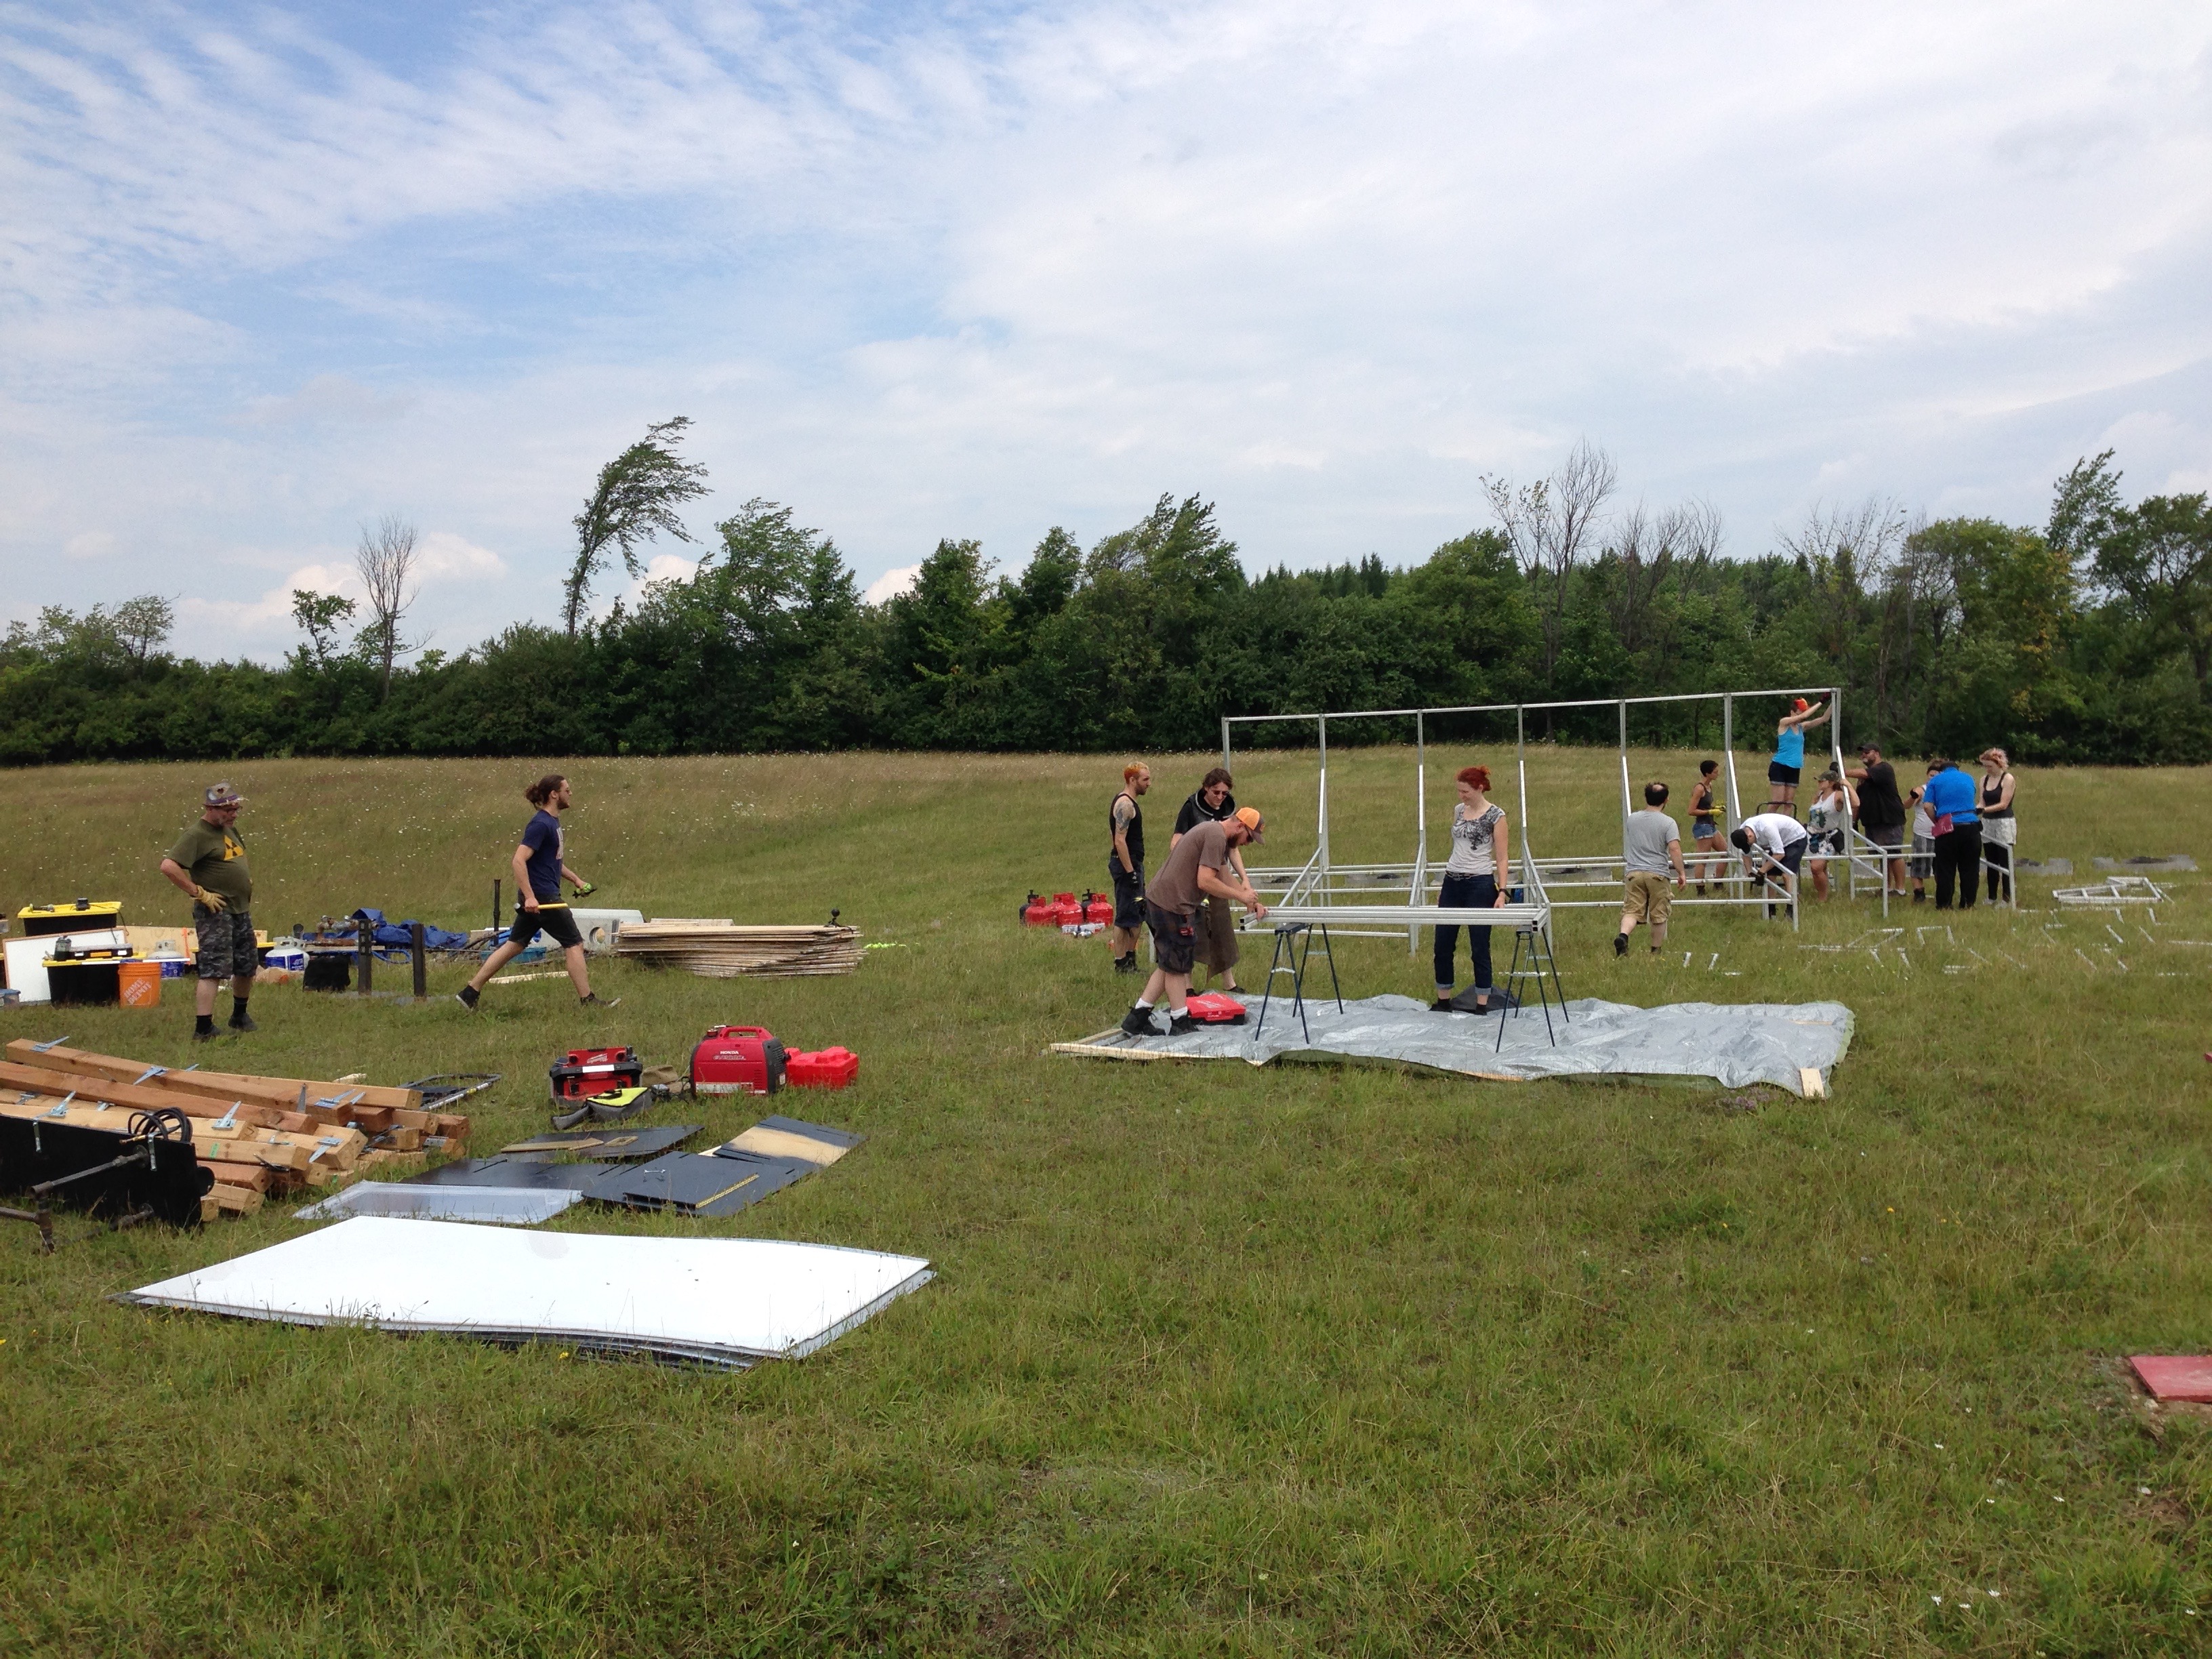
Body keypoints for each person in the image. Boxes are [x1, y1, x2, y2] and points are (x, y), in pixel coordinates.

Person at [457, 775, 617, 1010]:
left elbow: (552, 861)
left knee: (515, 944)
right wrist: (530, 896)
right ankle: (588, 1001)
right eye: (567, 790)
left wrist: (576, 880)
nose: (570, 794)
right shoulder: (541, 824)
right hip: (543, 898)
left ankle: (470, 992)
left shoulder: (552, 823)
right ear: (554, 794)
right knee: (574, 944)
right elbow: (518, 860)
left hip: (540, 896)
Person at [1122, 808, 1269, 1036]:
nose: (1246, 843)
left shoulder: (1215, 834)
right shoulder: (1215, 836)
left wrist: (1250, 900)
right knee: (1177, 967)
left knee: (1170, 964)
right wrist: (1241, 896)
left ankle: (1137, 1018)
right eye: (1249, 837)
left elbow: (1222, 875)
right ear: (1240, 826)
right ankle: (1180, 1021)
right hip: (1170, 905)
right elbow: (1205, 881)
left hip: (1165, 902)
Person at [158, 782, 260, 1042]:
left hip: (240, 909)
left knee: (247, 965)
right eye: (227, 810)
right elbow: (169, 866)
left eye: (236, 808)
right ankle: (203, 1027)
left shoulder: (230, 830)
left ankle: (240, 1015)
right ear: (210, 808)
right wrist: (198, 893)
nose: (233, 814)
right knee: (214, 968)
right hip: (216, 911)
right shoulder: (196, 835)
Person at [1433, 765, 1510, 1012]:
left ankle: (1482, 1003)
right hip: (1452, 880)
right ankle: (1443, 999)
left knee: (1479, 944)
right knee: (1443, 943)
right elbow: (1458, 845)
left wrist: (1502, 891)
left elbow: (1502, 857)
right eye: (1458, 791)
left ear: (1479, 788)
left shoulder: (1496, 816)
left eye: (1465, 792)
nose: (1461, 796)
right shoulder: (1458, 811)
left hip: (1479, 882)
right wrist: (1445, 887)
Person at [1171, 766, 1245, 993]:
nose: (1220, 797)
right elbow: (1176, 842)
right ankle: (1188, 986)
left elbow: (1232, 848)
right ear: (1206, 788)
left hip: (1218, 871)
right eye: (1216, 792)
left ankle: (1228, 982)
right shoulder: (1190, 808)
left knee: (1222, 924)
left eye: (1224, 793)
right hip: (1196, 875)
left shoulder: (1228, 809)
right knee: (1194, 929)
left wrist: (1244, 879)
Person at [1616, 781, 1687, 956]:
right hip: (1657, 873)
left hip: (1633, 872)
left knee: (1631, 910)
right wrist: (1681, 872)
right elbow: (1674, 849)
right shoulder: (1668, 823)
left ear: (1646, 797)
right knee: (1658, 915)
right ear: (1666, 800)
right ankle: (1656, 950)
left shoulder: (1632, 819)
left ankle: (1623, 936)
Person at [1920, 756, 1982, 912]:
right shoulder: (1968, 778)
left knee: (1945, 868)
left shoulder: (1936, 781)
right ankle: (1968, 904)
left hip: (1948, 828)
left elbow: (1927, 806)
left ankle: (1944, 905)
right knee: (1970, 868)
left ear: (1941, 771)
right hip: (1971, 826)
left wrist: (1937, 821)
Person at [1847, 743, 1908, 897]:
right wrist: (1854, 822)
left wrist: (1843, 773)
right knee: (1882, 855)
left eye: (1867, 752)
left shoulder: (1884, 769)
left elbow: (1864, 773)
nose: (1864, 756)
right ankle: (1887, 887)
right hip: (1872, 820)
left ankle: (1900, 889)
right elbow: (1857, 801)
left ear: (1877, 753)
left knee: (1894, 853)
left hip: (1889, 818)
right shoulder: (1862, 779)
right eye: (1862, 753)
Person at [1106, 764, 1151, 975]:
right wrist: (1130, 872)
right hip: (1126, 866)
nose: (1148, 784)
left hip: (1133, 864)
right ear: (1132, 780)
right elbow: (1119, 841)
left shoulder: (1129, 803)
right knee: (1125, 915)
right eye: (1145, 780)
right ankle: (1121, 963)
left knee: (1137, 913)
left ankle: (1131, 960)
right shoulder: (1125, 804)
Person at [1730, 809, 1810, 917]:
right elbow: (1746, 854)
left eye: (1748, 844)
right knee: (1770, 875)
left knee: (1787, 874)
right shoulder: (1743, 830)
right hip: (1780, 842)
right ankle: (1771, 910)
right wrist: (1750, 872)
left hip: (1795, 838)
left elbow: (1779, 854)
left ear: (1749, 836)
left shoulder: (1767, 828)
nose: (1749, 846)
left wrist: (1761, 871)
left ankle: (1791, 908)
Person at [1766, 697, 1831, 808]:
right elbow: (1804, 716)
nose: (1800, 717)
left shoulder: (1802, 727)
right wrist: (1821, 701)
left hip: (1794, 767)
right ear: (1792, 712)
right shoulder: (1784, 723)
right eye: (1799, 713)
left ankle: (1786, 824)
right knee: (1778, 801)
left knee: (1789, 803)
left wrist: (1833, 701)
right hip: (1780, 765)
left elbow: (1824, 719)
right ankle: (1764, 824)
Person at [1803, 771, 1854, 899]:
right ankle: (1822, 895)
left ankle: (1823, 897)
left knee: (1816, 867)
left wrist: (1849, 786)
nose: (1819, 783)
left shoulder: (1838, 796)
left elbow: (1856, 803)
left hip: (1826, 838)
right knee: (1817, 870)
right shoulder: (1819, 795)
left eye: (1822, 781)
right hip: (1811, 835)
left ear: (1831, 783)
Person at [1980, 748, 2018, 903]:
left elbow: (2004, 804)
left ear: (1998, 764)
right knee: (1991, 861)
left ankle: (2007, 898)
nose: (1987, 769)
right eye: (1985, 766)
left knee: (2004, 860)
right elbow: (1982, 801)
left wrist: (1983, 810)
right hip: (1987, 822)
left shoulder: (2008, 779)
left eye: (1990, 766)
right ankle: (1992, 896)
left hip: (2003, 822)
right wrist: (1977, 810)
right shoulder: (1984, 779)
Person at [1903, 762, 1941, 903]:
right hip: (1923, 833)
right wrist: (1913, 796)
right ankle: (1919, 894)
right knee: (1919, 865)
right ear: (1927, 775)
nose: (1933, 779)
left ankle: (1942, 892)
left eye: (1937, 776)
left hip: (1941, 833)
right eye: (1931, 775)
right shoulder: (1922, 789)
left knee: (1940, 866)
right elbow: (1906, 805)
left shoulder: (1943, 790)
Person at [1687, 758, 1724, 894]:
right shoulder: (1699, 788)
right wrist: (1710, 812)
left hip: (1711, 825)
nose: (1717, 774)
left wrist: (1716, 809)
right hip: (1703, 827)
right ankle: (1700, 889)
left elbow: (1706, 806)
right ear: (1707, 773)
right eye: (1715, 772)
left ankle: (1718, 882)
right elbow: (1691, 810)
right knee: (1702, 859)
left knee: (1725, 852)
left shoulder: (1710, 787)